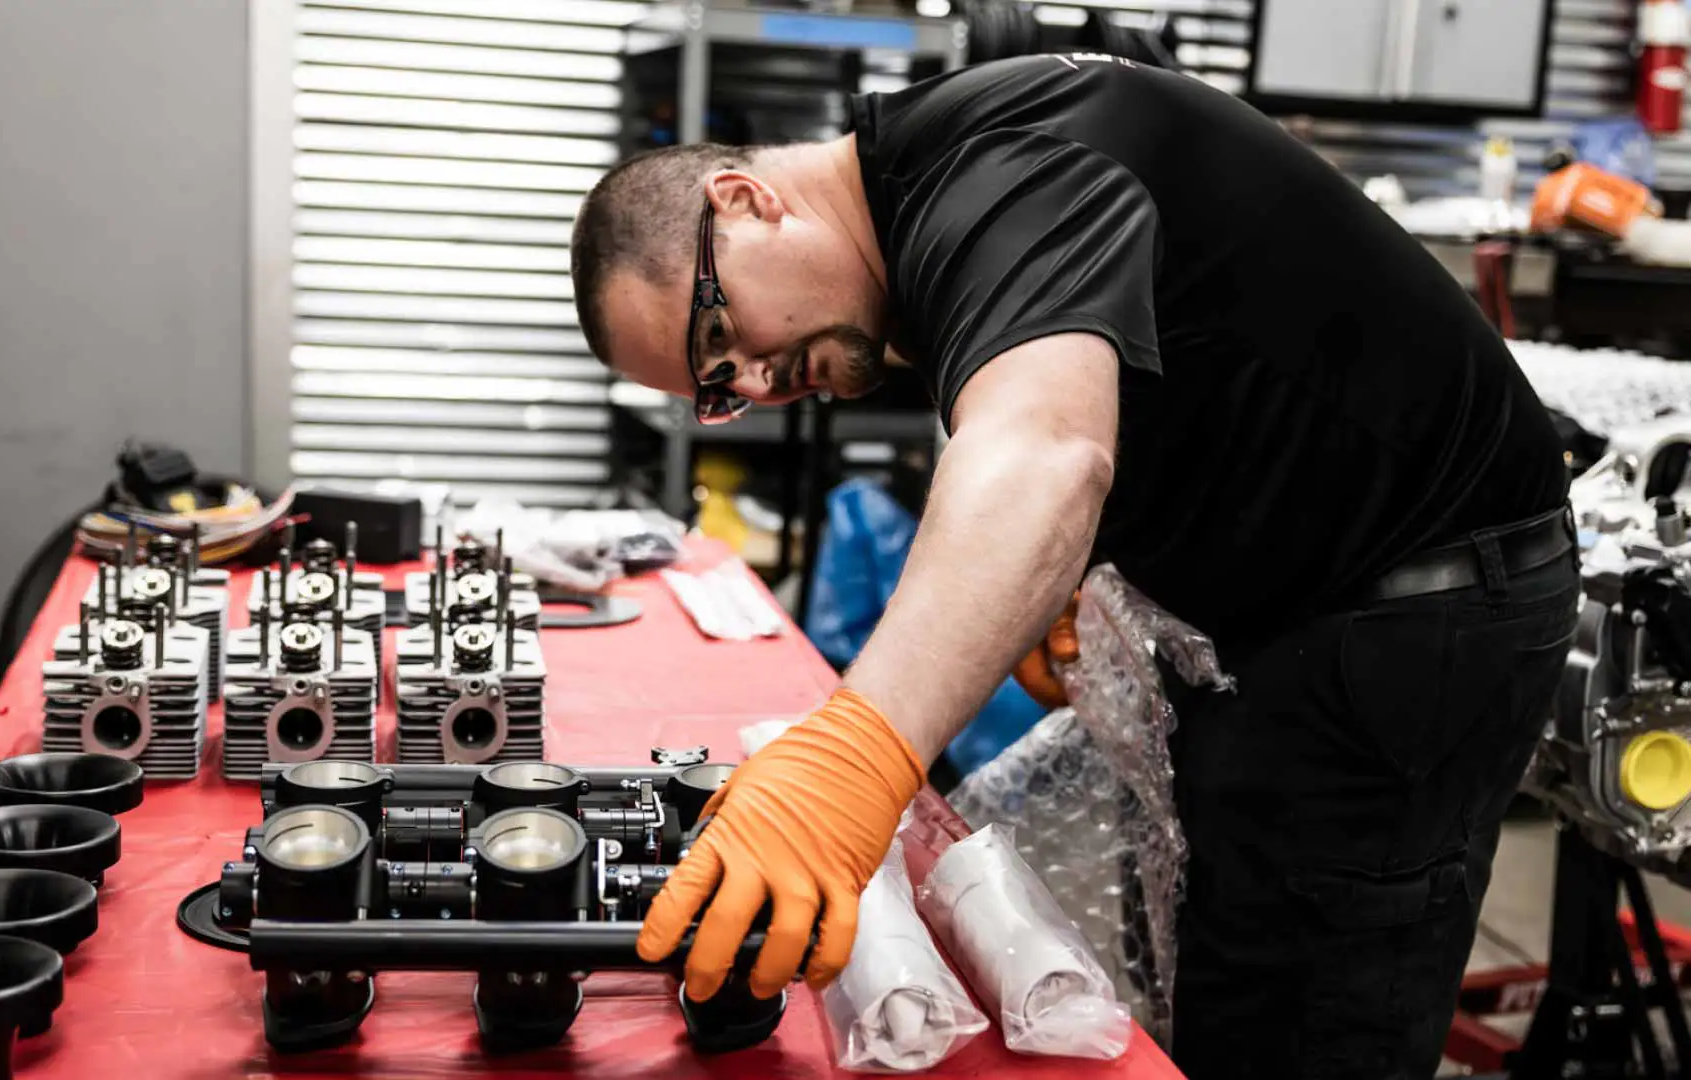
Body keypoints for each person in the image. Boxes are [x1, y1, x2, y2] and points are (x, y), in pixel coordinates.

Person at [569, 54, 1578, 1079]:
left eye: (719, 331)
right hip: (1310, 608)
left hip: (1414, 611)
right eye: (716, 387)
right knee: (1225, 978)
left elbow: (1047, 451)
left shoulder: (999, 176)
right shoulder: (927, 192)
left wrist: (852, 762)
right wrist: (1077, 579)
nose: (757, 381)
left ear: (743, 200)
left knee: (1303, 1018)